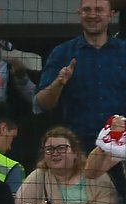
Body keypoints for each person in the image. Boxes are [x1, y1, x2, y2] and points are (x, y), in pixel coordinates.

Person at [36, 0, 126, 150]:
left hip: (120, 146)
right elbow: (41, 104)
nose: (92, 15)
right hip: (77, 148)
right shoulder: (62, 53)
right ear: (79, 13)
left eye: (99, 10)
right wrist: (58, 83)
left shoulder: (123, 52)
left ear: (111, 14)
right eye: (87, 10)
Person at [15, 127, 118, 204]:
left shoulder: (94, 173)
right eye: (49, 149)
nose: (55, 153)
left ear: (75, 153)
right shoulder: (39, 175)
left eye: (61, 148)